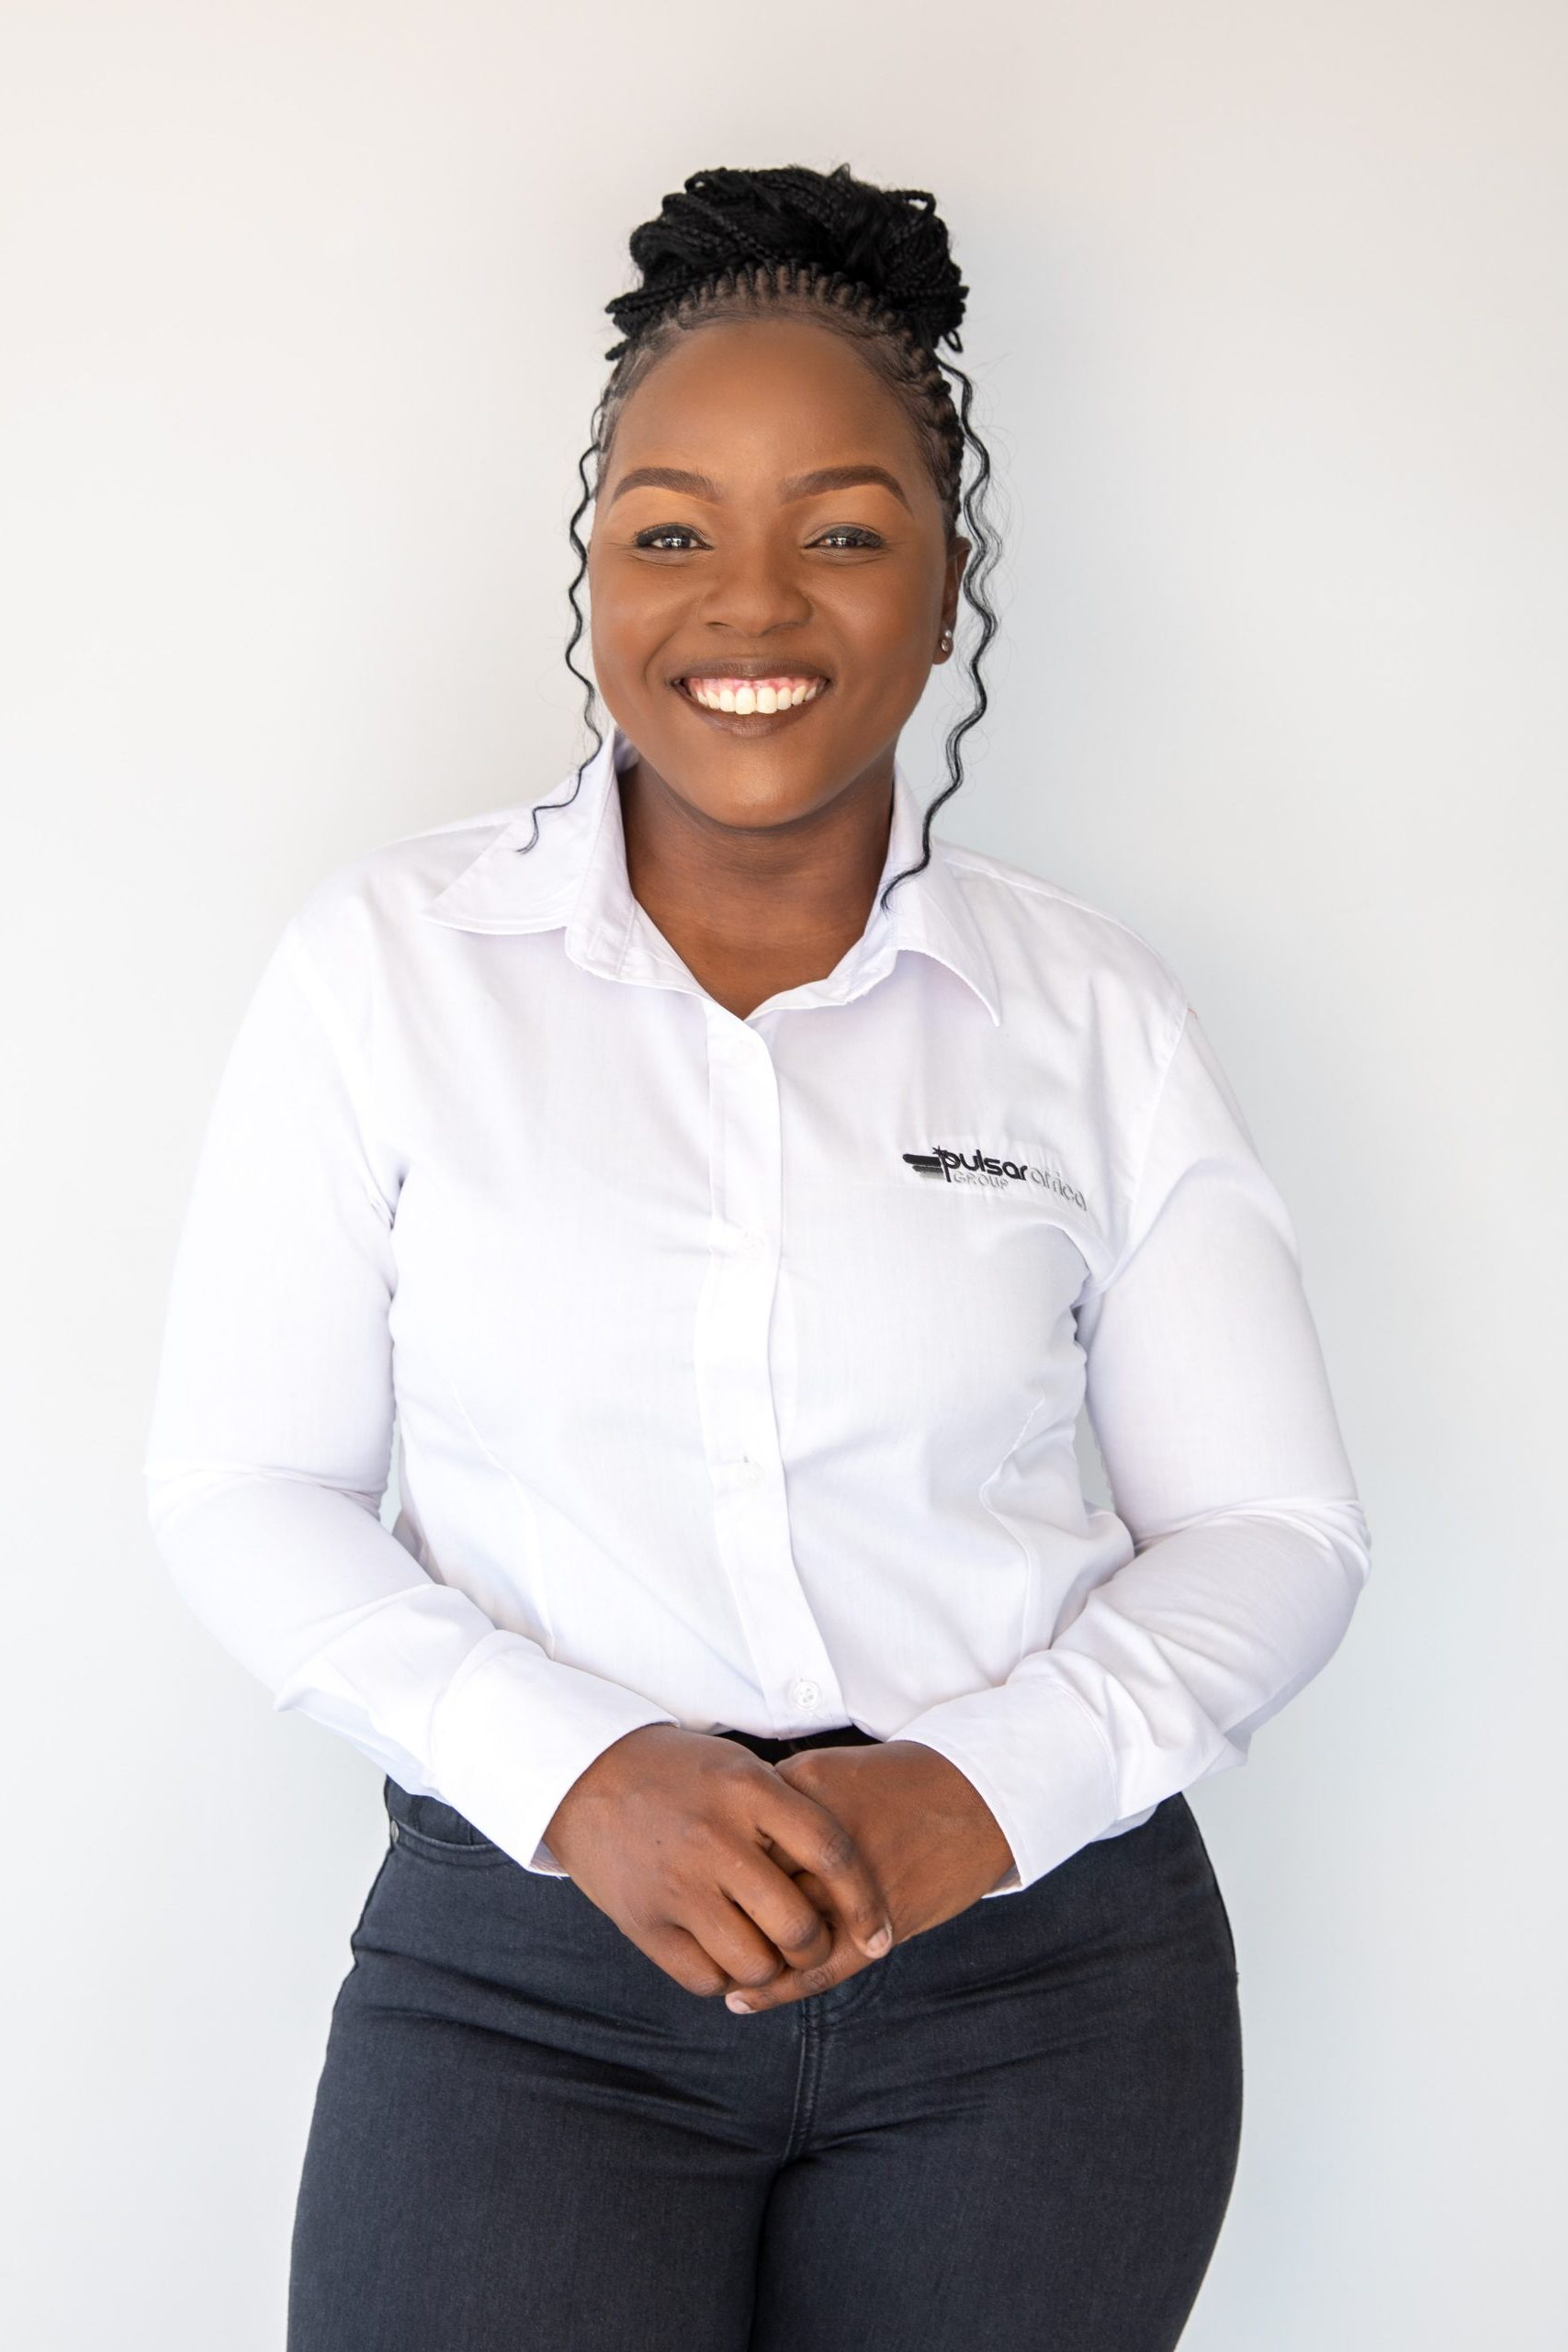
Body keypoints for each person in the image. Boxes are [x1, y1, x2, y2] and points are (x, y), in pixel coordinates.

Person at [142, 162, 1371, 2351]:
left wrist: (974, 1794)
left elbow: (1271, 1526)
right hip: (532, 1977)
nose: (751, 604)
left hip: (1036, 1993)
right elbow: (244, 1484)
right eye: (670, 531)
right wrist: (575, 1769)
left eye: (845, 530)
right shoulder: (386, 970)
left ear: (946, 579)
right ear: (592, 566)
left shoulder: (1088, 1013)